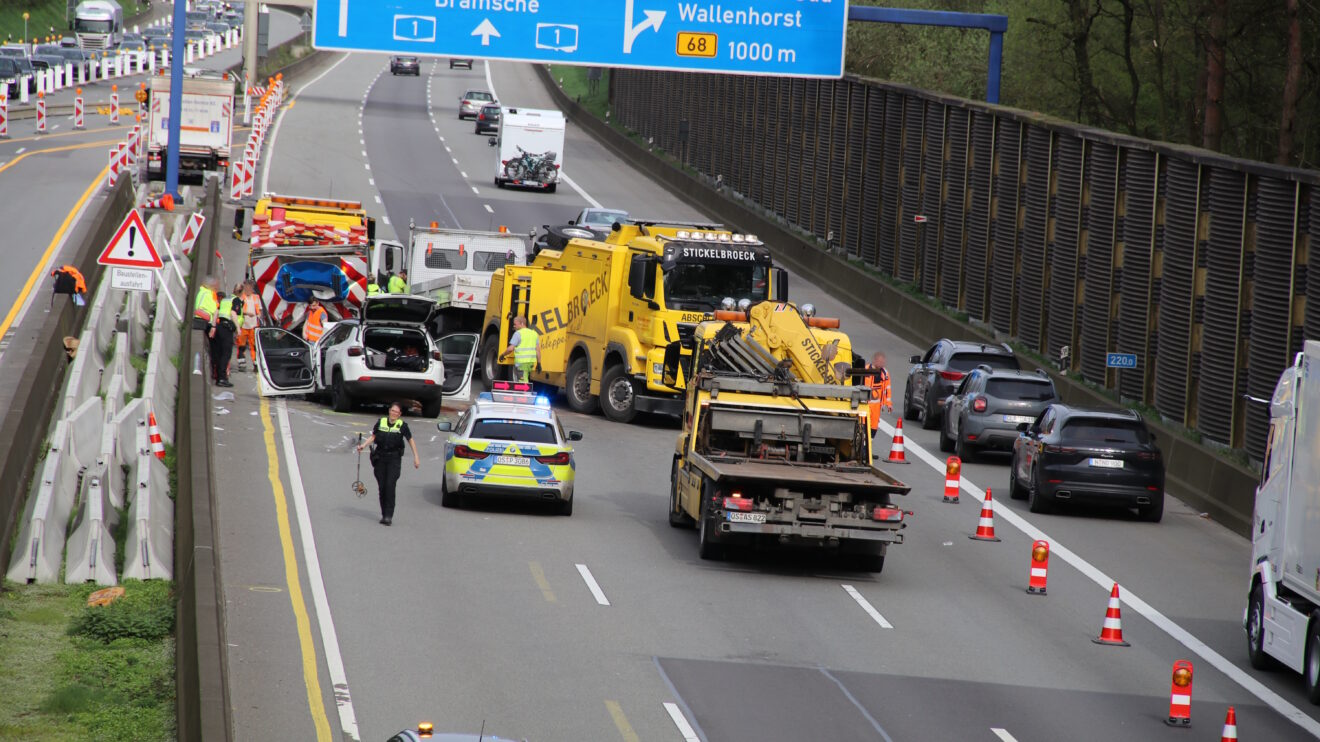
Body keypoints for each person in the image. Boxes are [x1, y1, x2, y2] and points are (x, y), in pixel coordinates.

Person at [355, 402, 420, 526]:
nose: (394, 413)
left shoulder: (403, 426)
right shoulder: (381, 422)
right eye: (392, 411)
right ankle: (384, 513)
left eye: (397, 412)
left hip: (394, 459)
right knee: (382, 487)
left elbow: (411, 441)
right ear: (389, 411)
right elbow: (374, 436)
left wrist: (416, 457)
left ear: (399, 414)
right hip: (380, 458)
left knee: (390, 485)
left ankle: (388, 516)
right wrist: (363, 445)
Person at [210, 291, 239, 387]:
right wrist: (238, 329)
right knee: (226, 354)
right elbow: (233, 313)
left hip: (219, 327)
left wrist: (213, 327)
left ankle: (218, 376)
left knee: (219, 353)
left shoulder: (225, 300)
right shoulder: (236, 300)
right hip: (226, 329)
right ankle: (222, 379)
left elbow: (216, 312)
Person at [500, 315, 540, 383]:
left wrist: (503, 355)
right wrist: (539, 363)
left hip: (521, 364)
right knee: (524, 379)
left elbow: (510, 349)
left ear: (521, 323)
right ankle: (525, 392)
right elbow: (538, 350)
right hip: (530, 363)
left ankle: (525, 393)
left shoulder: (518, 334)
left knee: (523, 383)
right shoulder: (534, 334)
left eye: (515, 324)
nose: (514, 326)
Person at [864, 352, 893, 435]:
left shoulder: (884, 373)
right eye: (879, 361)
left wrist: (889, 403)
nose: (881, 364)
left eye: (883, 362)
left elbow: (887, 388)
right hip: (865, 403)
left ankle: (870, 441)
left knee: (874, 426)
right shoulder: (866, 370)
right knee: (863, 423)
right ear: (874, 360)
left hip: (876, 405)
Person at [236, 281, 262, 372]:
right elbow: (238, 310)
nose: (248, 290)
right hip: (243, 325)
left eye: (250, 288)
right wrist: (247, 313)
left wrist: (259, 317)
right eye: (246, 288)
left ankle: (256, 364)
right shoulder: (241, 297)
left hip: (253, 326)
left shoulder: (256, 297)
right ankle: (241, 364)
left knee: (254, 346)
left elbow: (259, 310)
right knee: (241, 345)